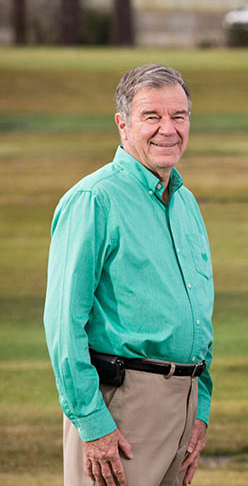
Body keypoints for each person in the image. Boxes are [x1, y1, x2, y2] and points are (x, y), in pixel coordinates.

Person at [43, 64, 214, 486]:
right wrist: (92, 423)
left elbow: (197, 314)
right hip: (122, 407)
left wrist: (200, 409)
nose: (168, 129)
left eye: (179, 116)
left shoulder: (185, 201)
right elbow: (64, 324)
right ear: (123, 124)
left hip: (183, 405)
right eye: (151, 117)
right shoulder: (93, 200)